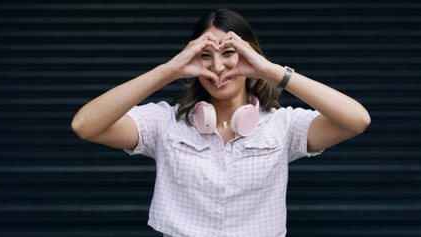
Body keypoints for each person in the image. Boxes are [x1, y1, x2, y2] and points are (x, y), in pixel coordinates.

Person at [71, 9, 370, 237]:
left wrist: (271, 71)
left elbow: (357, 120)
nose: (218, 67)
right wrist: (170, 69)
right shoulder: (165, 122)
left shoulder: (283, 126)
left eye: (230, 54)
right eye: (205, 56)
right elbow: (85, 125)